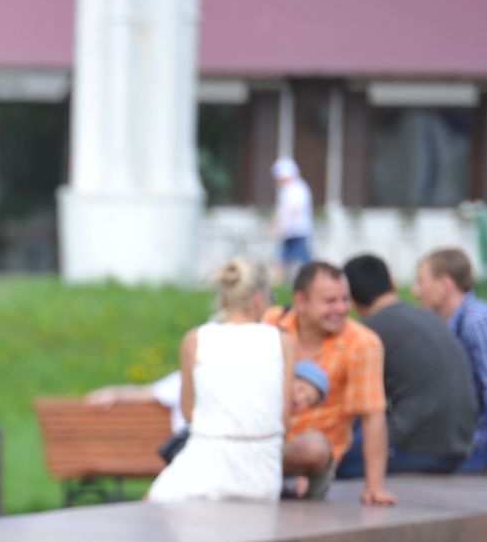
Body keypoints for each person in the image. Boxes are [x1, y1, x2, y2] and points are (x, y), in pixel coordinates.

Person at [146, 259, 292, 503]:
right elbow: (283, 418)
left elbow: (189, 412)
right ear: (258, 299)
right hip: (263, 475)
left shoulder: (196, 340)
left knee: (149, 505)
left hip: (207, 467)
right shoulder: (282, 342)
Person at [268, 261, 392, 505]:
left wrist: (375, 488)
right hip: (263, 440)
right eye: (330, 301)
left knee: (314, 447)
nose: (341, 308)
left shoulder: (362, 342)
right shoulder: (270, 323)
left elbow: (373, 414)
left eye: (345, 299)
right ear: (301, 301)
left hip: (314, 453)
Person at [341, 253, 475, 476]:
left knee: (329, 461)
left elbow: (353, 404)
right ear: (392, 284)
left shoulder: (368, 333)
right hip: (459, 447)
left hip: (415, 451)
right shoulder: (430, 317)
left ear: (352, 301)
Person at [414, 247, 487, 477]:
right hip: (465, 444)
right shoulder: (452, 323)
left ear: (445, 283)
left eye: (422, 281)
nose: (417, 291)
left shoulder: (477, 321)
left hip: (482, 449)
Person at [269, 158, 314, 274]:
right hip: (290, 232)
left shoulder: (297, 188)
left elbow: (293, 211)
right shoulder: (288, 189)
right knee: (282, 260)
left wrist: (280, 226)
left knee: (304, 262)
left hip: (297, 232)